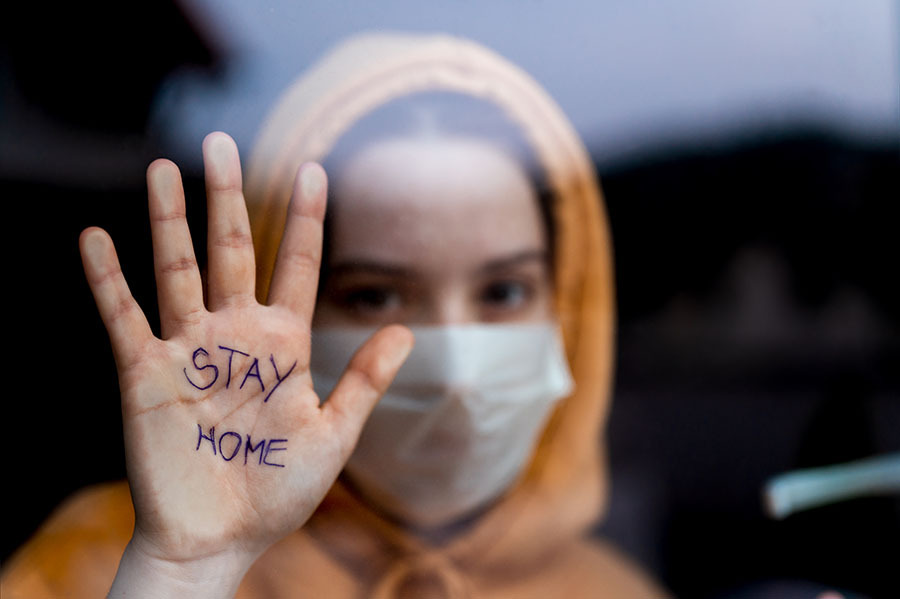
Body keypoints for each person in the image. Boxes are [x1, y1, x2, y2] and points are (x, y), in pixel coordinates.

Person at [1, 33, 667, 598]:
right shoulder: (99, 563)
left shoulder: (607, 588)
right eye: (376, 295)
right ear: (292, 310)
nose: (456, 369)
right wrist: (185, 572)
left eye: (504, 292)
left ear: (569, 311)